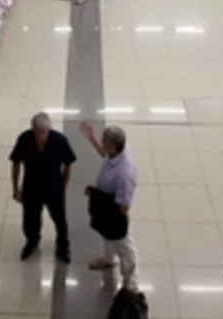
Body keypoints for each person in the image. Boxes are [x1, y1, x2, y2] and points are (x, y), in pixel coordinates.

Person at [79, 122, 139, 291]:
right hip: (106, 204)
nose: (101, 143)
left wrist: (105, 209)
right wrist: (91, 137)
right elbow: (102, 152)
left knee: (124, 246)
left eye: (103, 141)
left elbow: (123, 207)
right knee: (107, 235)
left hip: (114, 211)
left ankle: (130, 281)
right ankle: (109, 258)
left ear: (113, 146)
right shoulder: (115, 152)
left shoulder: (124, 174)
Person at [10, 113, 77, 263]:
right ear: (32, 130)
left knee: (59, 219)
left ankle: (62, 246)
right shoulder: (24, 140)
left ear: (49, 129)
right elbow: (16, 163)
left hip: (53, 187)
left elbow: (68, 164)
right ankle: (32, 241)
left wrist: (64, 185)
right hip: (31, 187)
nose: (41, 136)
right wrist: (15, 189)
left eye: (44, 132)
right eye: (38, 132)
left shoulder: (59, 141)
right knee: (30, 218)